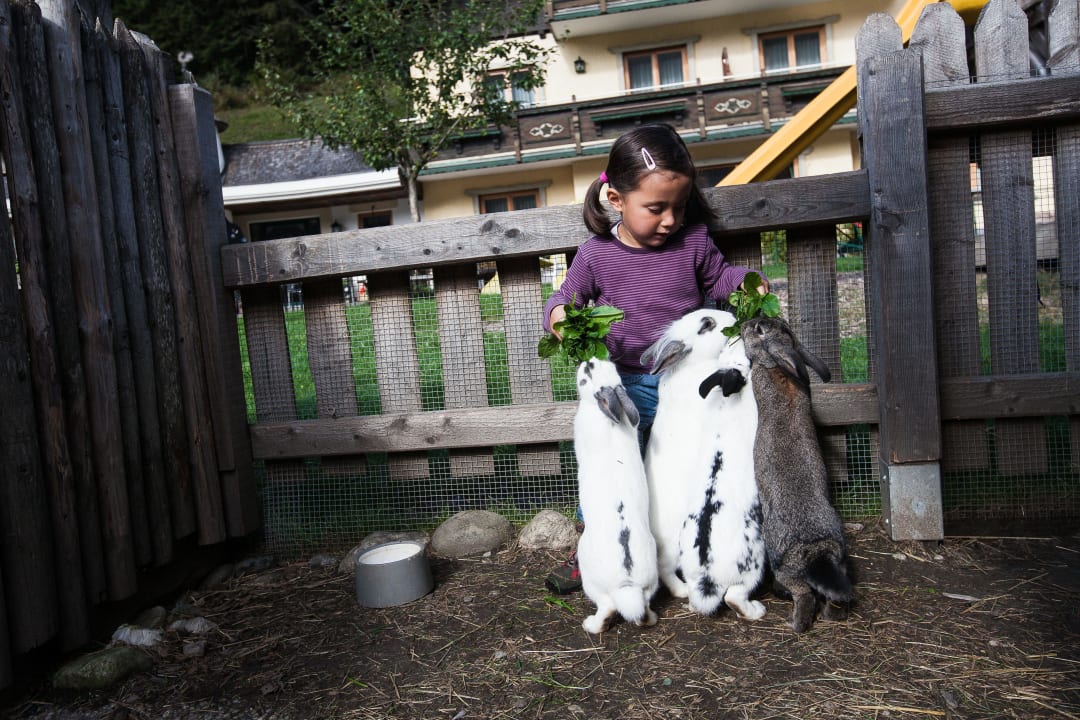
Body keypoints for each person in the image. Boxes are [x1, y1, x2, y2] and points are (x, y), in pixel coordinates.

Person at [542, 123, 769, 594]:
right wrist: (562, 318)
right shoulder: (596, 255)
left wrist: (747, 283)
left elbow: (721, 279)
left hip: (685, 384)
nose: (670, 219)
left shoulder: (694, 244)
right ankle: (595, 550)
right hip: (626, 385)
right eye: (656, 208)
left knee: (683, 467)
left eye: (679, 207)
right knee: (615, 467)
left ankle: (688, 550)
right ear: (616, 200)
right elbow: (565, 298)